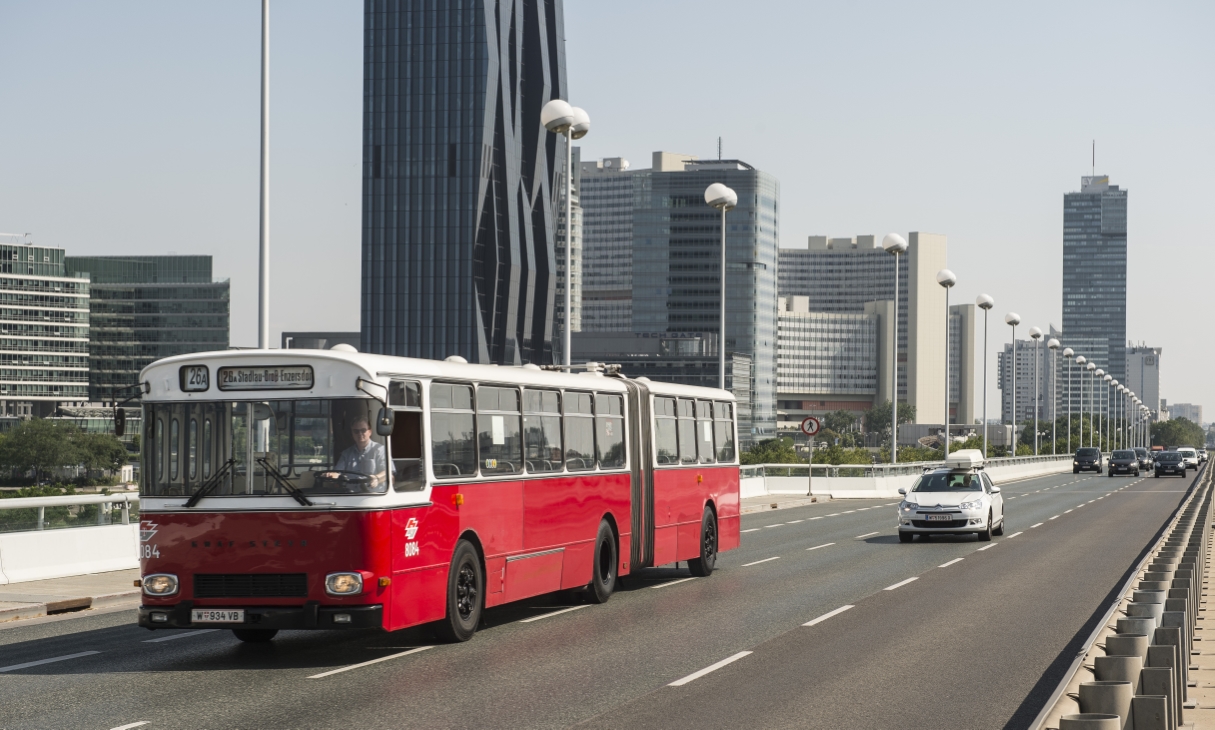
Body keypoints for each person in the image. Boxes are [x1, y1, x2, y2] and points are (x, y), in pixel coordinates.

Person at [323, 415, 387, 487]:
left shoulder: (380, 450)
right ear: (352, 433)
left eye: (363, 430)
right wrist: (330, 475)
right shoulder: (346, 454)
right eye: (356, 431)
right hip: (351, 495)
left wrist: (376, 478)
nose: (360, 434)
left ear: (370, 432)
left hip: (373, 495)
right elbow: (337, 473)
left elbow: (388, 473)